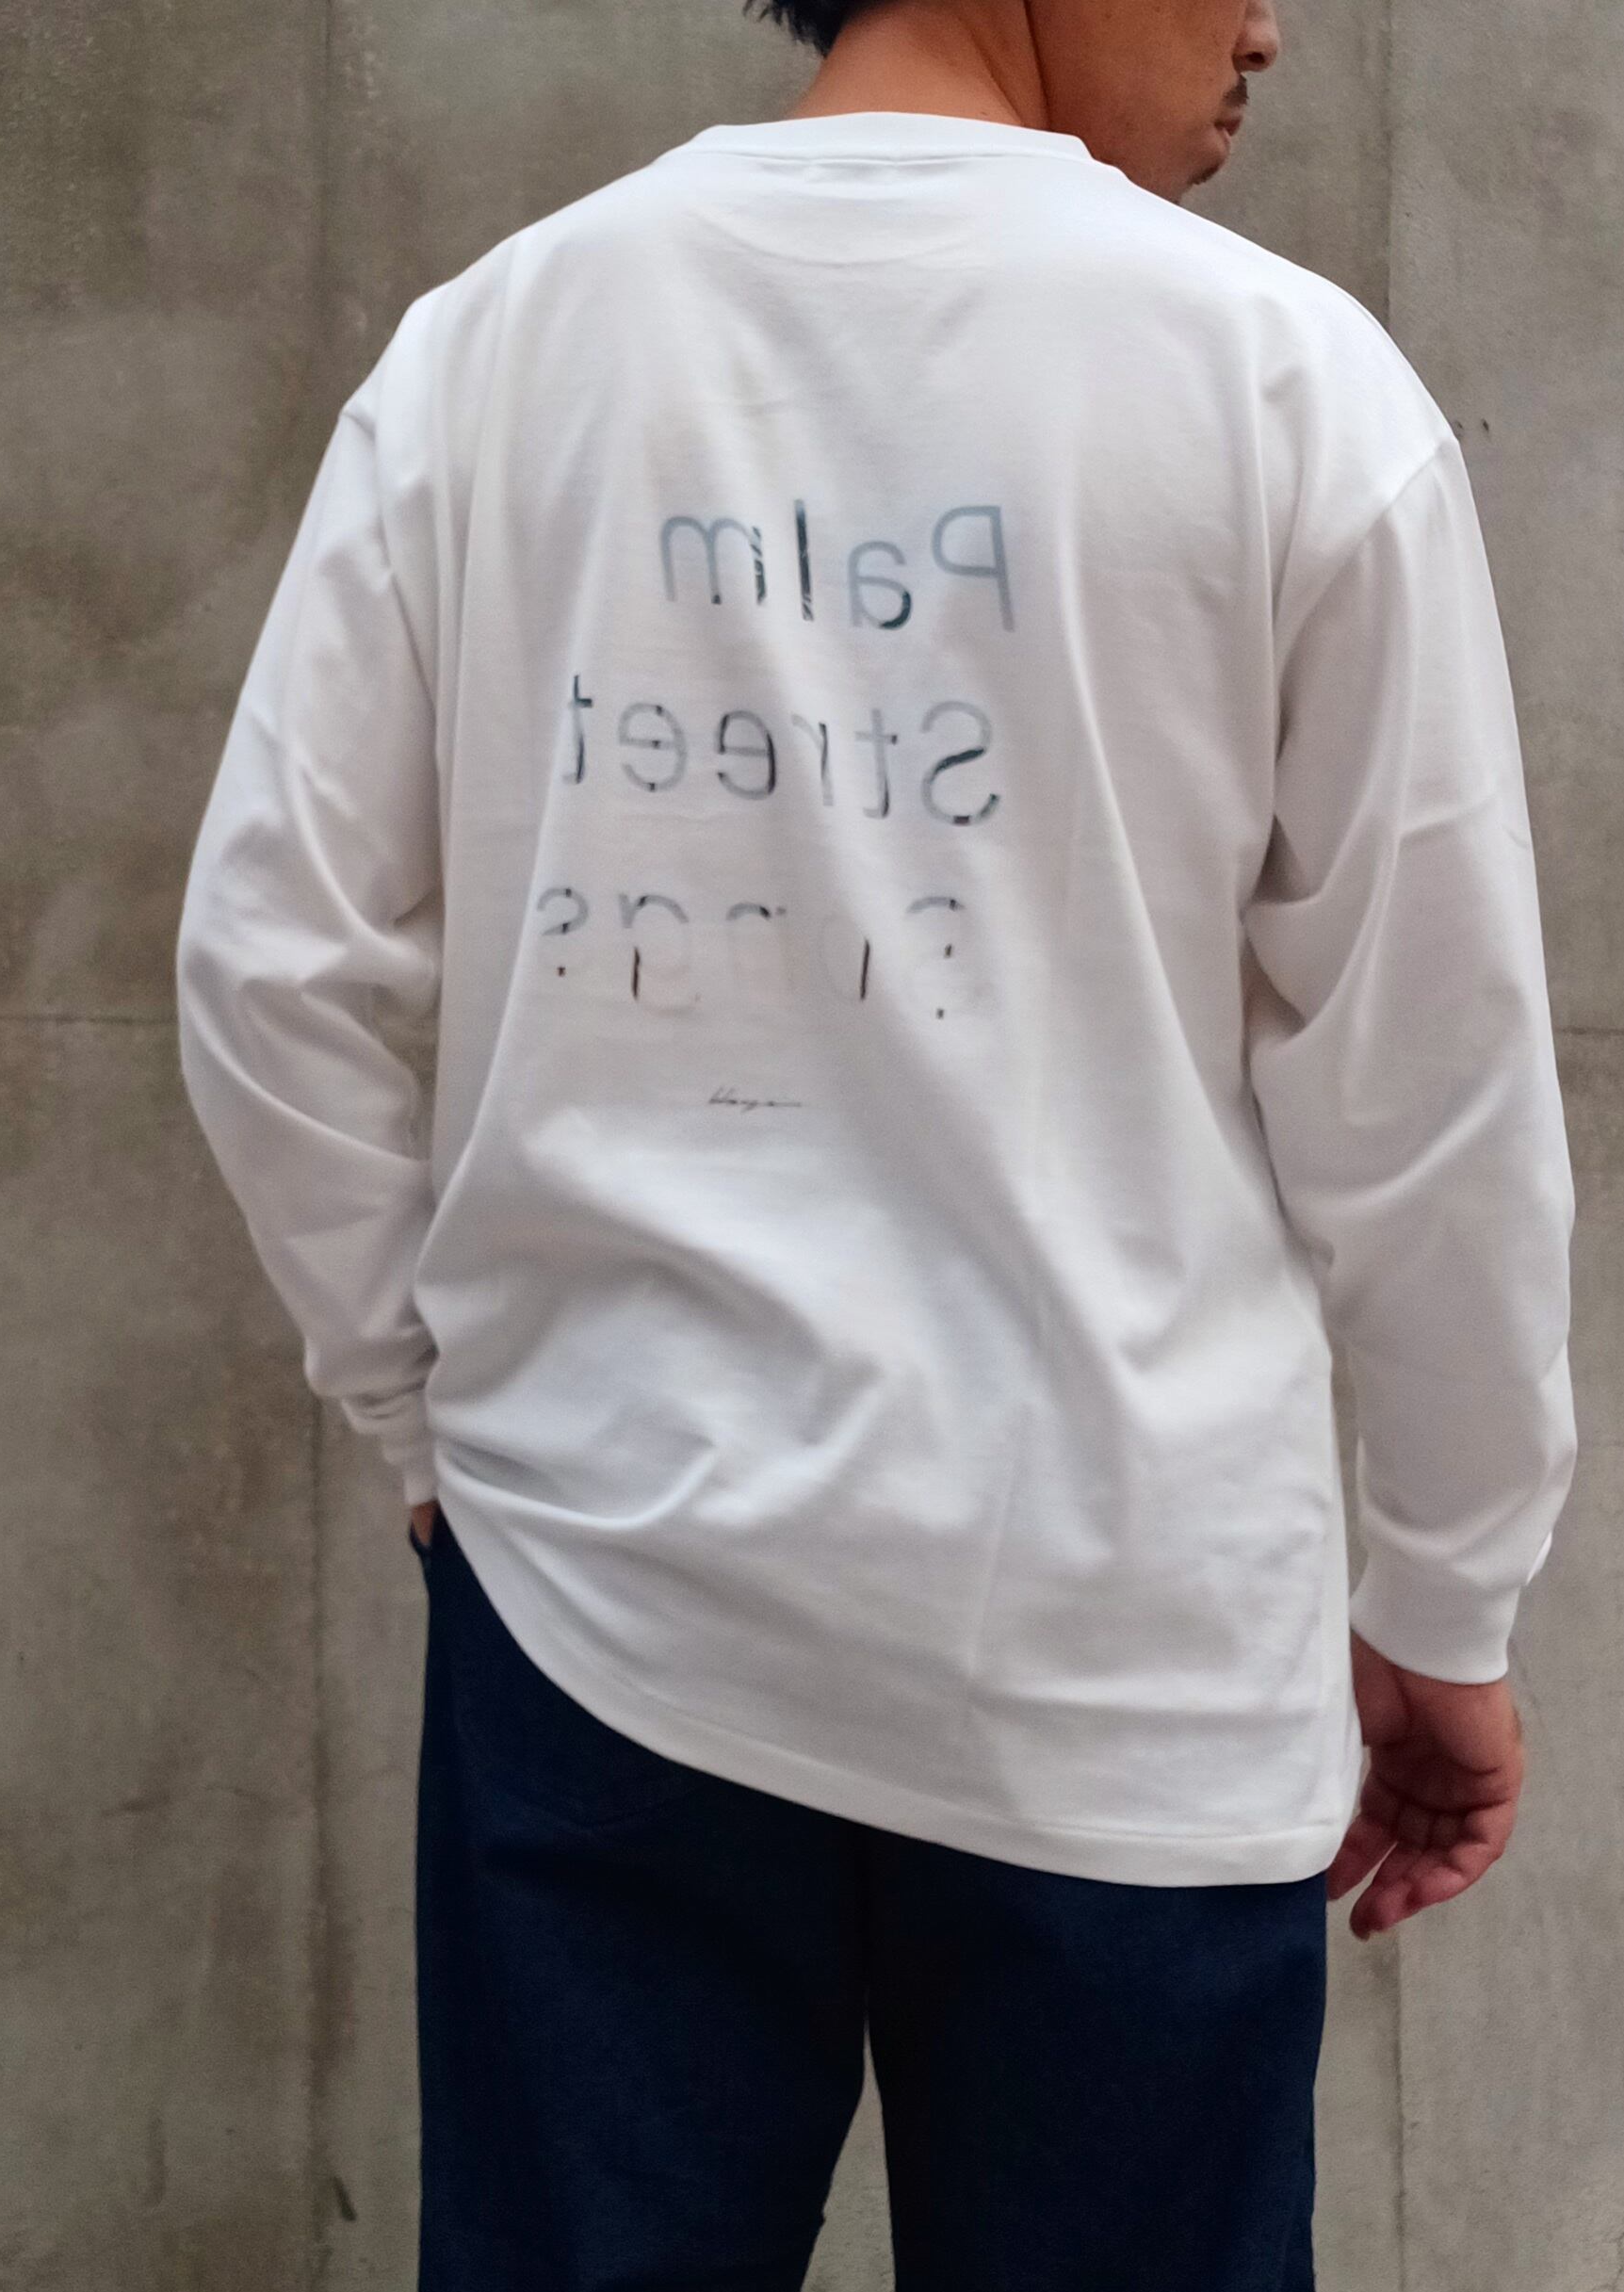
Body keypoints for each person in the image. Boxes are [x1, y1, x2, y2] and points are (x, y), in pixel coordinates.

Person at [172, 0, 1579, 2282]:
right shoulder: (1279, 385)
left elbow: (270, 959)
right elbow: (1425, 1084)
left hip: (603, 1596)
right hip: (1117, 1653)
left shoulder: (499, 349)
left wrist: (419, 1411)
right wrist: (1442, 1594)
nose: (1266, 21)